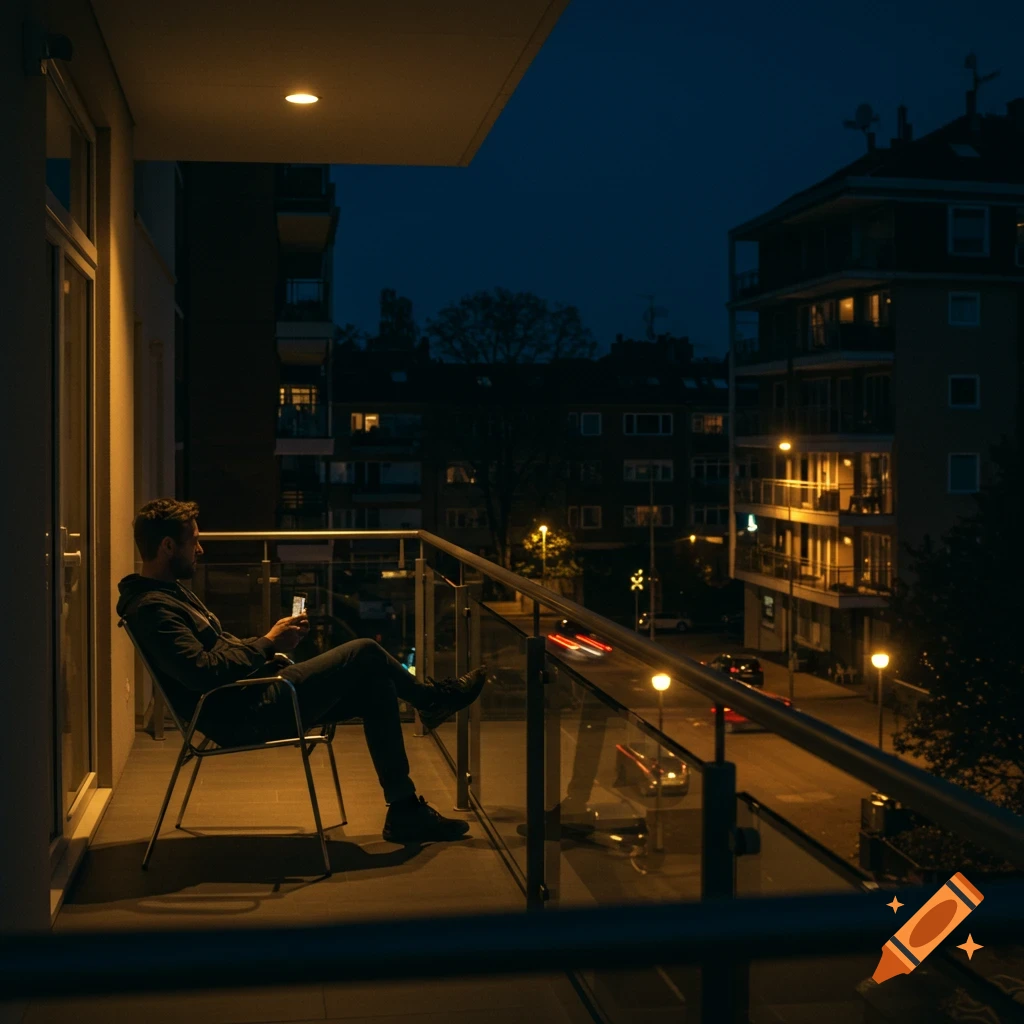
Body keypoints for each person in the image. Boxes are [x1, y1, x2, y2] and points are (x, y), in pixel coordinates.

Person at [117, 499, 486, 843]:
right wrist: (267, 643)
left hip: (249, 693)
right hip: (242, 713)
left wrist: (267, 651)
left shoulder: (169, 594)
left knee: (376, 686)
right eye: (193, 541)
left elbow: (215, 653)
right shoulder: (153, 609)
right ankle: (432, 700)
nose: (200, 550)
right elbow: (202, 671)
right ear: (168, 546)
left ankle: (404, 809)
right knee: (366, 651)